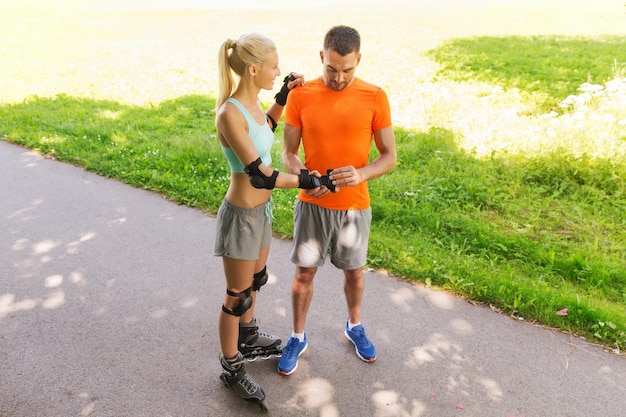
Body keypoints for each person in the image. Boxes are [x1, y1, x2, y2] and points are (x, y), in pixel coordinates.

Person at [214, 32, 332, 407]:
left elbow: (263, 129)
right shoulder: (229, 113)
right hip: (241, 216)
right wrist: (307, 179)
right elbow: (261, 174)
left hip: (261, 213)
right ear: (252, 69)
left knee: (257, 281)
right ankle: (231, 365)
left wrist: (282, 97)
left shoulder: (252, 107)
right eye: (274, 67)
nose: (278, 70)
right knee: (237, 296)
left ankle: (247, 336)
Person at [278, 25, 397, 376]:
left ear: (358, 60)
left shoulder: (375, 96)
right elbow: (288, 153)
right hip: (312, 203)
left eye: (347, 70)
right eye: (331, 69)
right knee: (303, 274)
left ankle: (354, 326)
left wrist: (361, 174)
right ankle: (298, 336)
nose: (339, 77)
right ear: (322, 57)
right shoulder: (301, 95)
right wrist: (304, 175)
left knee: (355, 273)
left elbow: (389, 156)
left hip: (355, 205)